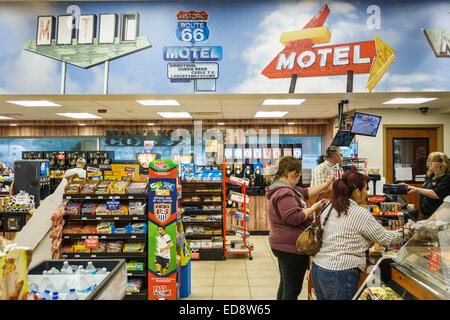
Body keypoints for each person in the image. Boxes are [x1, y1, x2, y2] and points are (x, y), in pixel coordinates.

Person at [311, 171, 403, 300]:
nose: (367, 193)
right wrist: (409, 231)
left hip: (319, 267)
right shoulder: (359, 213)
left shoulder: (329, 205)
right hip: (341, 272)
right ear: (357, 192)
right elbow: (387, 238)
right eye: (365, 189)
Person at [266, 156, 333, 300]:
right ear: (288, 172)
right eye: (298, 172)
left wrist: (325, 185)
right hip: (290, 247)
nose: (300, 174)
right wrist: (314, 208)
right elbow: (294, 218)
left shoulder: (288, 188)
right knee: (292, 289)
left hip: (284, 245)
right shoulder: (284, 192)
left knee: (286, 285)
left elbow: (305, 192)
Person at [401, 152, 450, 219]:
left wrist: (416, 189)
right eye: (429, 161)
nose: (430, 163)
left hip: (439, 216)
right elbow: (423, 193)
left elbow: (436, 194)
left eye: (432, 161)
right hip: (426, 215)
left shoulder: (446, 178)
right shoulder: (431, 177)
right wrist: (408, 187)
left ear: (441, 163)